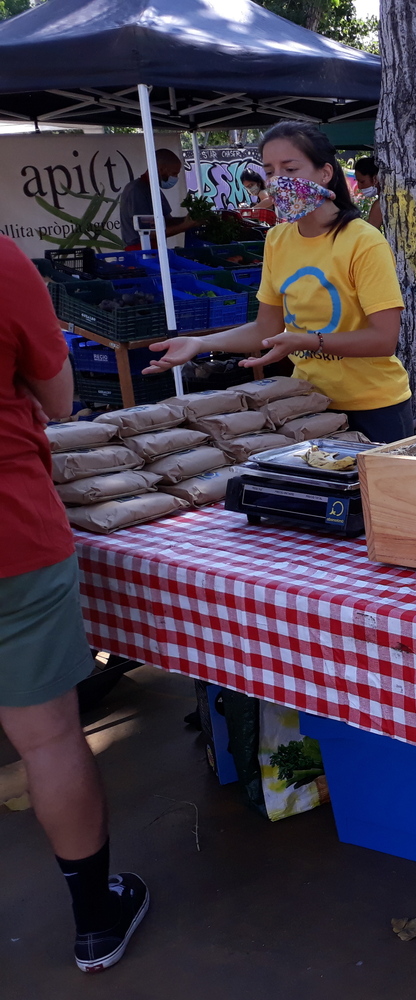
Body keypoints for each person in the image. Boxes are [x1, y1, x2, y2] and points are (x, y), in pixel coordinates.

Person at [2, 238, 149, 973]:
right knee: (49, 739)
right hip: (12, 537)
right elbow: (59, 399)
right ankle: (96, 920)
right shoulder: (3, 263)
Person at [144, 122, 412, 443]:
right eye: (270, 171)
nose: (278, 180)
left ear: (325, 173)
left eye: (290, 168)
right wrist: (200, 344)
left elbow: (383, 339)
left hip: (373, 407)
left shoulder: (363, 241)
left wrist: (306, 341)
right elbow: (266, 328)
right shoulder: (277, 239)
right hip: (306, 404)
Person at [116, 148, 198, 249]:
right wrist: (185, 226)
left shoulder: (153, 189)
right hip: (141, 251)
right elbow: (149, 232)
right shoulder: (136, 190)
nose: (175, 177)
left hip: (155, 248)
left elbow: (166, 221)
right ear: (161, 169)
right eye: (174, 174)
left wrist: (188, 220)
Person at [353, 157, 383, 230]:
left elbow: (369, 232)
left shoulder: (380, 204)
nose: (359, 186)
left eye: (362, 182)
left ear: (375, 178)